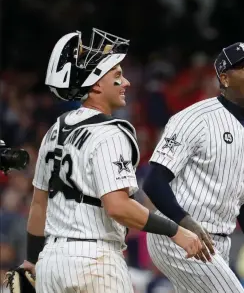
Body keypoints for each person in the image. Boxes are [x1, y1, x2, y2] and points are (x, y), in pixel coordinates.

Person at [23, 28, 202, 293]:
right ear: (96, 84)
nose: (127, 82)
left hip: (51, 262)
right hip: (95, 260)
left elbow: (39, 204)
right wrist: (176, 231)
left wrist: (31, 260)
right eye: (117, 76)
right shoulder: (110, 132)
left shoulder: (55, 130)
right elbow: (118, 207)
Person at [143, 42, 244, 293]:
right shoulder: (194, 118)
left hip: (217, 243)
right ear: (224, 79)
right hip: (178, 234)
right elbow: (154, 181)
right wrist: (185, 224)